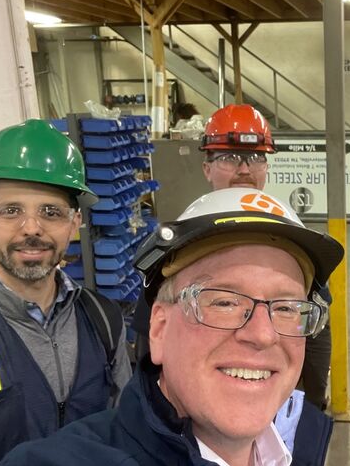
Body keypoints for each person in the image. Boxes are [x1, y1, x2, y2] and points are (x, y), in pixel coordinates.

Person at [0, 187, 344, 466]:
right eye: (224, 302)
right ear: (160, 330)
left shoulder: (296, 449)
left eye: (285, 308)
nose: (263, 335)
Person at [0, 120, 131, 466]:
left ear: (75, 223)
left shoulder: (104, 321)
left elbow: (127, 439)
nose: (31, 228)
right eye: (11, 211)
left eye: (51, 212)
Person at [135, 103, 332, 412]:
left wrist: (313, 406)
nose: (244, 169)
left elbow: (317, 333)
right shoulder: (178, 243)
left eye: (255, 158)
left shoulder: (292, 232)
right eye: (229, 158)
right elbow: (150, 339)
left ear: (266, 166)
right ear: (206, 167)